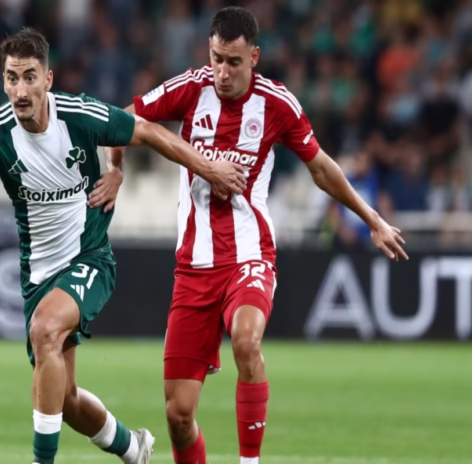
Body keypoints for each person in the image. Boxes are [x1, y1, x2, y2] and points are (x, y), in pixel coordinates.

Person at [95, 7, 408, 464]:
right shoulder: (190, 88)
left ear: (254, 57)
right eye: (217, 59)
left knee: (246, 339)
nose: (222, 72)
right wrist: (116, 170)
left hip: (249, 255)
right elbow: (117, 124)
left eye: (234, 62)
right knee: (178, 416)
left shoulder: (277, 103)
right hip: (194, 267)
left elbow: (321, 168)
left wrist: (372, 218)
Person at [0, 28, 246, 464]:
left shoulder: (79, 116)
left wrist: (205, 168)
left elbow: (147, 131)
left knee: (45, 329)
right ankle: (133, 447)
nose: (20, 90)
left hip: (89, 257)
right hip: (38, 275)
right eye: (11, 78)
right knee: (64, 399)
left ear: (48, 79)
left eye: (29, 77)